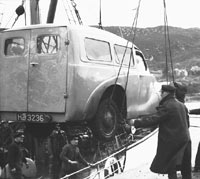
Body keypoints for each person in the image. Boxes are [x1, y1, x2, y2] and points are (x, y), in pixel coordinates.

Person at [128, 84, 191, 179]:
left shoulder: (167, 106)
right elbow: (187, 124)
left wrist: (135, 122)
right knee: (185, 167)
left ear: (166, 93)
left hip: (173, 142)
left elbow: (154, 119)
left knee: (171, 166)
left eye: (161, 92)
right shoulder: (182, 105)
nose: (160, 95)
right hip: (186, 140)